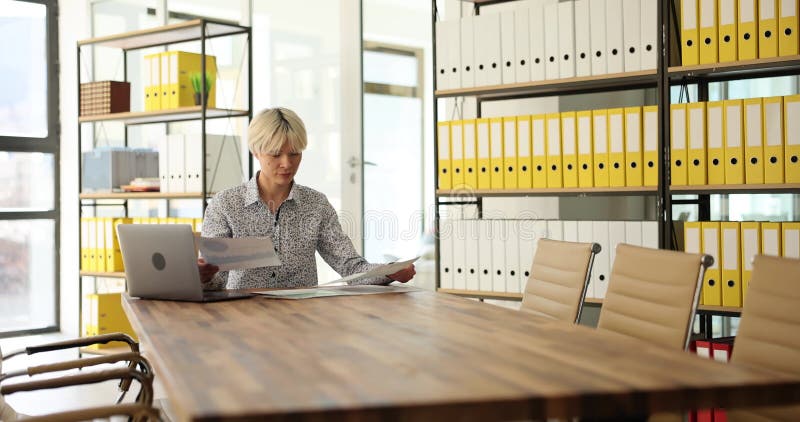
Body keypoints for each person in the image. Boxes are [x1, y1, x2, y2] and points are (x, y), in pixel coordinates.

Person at [198, 107, 415, 289]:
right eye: (275, 154)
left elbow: (350, 267)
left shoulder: (316, 205)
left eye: (294, 153)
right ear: (256, 151)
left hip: (303, 316)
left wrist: (389, 273)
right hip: (244, 316)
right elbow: (216, 282)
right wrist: (203, 276)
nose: (287, 163)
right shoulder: (224, 205)